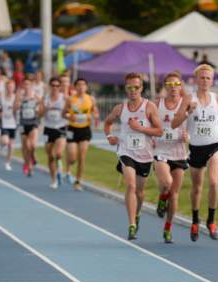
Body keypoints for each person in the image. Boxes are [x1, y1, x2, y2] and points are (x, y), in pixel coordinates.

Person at [172, 64, 218, 241]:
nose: (205, 81)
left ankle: (211, 221)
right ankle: (195, 220)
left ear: (212, 80)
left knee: (213, 183)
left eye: (208, 78)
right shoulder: (188, 98)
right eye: (202, 77)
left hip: (214, 145)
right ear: (196, 79)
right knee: (197, 187)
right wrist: (188, 112)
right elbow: (175, 123)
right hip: (196, 148)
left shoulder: (217, 98)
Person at [104, 73, 162, 240]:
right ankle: (131, 224)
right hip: (126, 152)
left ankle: (137, 215)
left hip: (145, 155)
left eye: (136, 87)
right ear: (126, 89)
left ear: (141, 88)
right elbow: (107, 123)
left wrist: (140, 128)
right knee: (130, 185)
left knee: (140, 191)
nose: (133, 90)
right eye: (129, 87)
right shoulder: (119, 109)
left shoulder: (150, 107)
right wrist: (109, 137)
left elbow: (159, 131)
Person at [153, 72, 189, 243]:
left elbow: (193, 127)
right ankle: (161, 199)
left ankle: (168, 228)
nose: (173, 88)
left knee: (174, 195)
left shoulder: (186, 105)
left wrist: (188, 136)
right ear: (165, 87)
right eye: (170, 85)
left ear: (180, 86)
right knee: (166, 183)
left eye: (176, 84)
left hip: (180, 153)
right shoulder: (156, 104)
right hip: (161, 151)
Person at [63, 78, 99, 190]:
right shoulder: (70, 99)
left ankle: (78, 181)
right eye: (78, 85)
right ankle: (68, 168)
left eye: (83, 85)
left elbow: (95, 112)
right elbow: (63, 113)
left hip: (85, 129)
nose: (81, 87)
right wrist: (70, 116)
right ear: (75, 87)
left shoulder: (91, 99)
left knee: (82, 157)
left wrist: (95, 116)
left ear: (86, 87)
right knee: (72, 157)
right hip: (72, 129)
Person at [42, 78, 67, 188]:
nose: (55, 87)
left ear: (60, 87)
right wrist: (46, 109)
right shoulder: (45, 99)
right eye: (53, 85)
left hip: (60, 127)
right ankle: (54, 180)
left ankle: (60, 165)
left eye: (57, 85)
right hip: (48, 128)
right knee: (50, 156)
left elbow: (70, 111)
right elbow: (39, 114)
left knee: (58, 153)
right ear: (50, 86)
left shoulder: (64, 98)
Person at [16, 79, 41, 176]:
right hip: (23, 123)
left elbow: (41, 106)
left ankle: (33, 156)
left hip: (33, 122)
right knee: (25, 146)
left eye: (28, 84)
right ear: (23, 86)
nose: (27, 86)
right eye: (25, 84)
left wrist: (39, 111)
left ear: (31, 86)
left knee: (33, 145)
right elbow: (15, 108)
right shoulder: (20, 97)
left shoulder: (35, 96)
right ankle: (28, 165)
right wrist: (17, 101)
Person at [0, 80, 17, 171]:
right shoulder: (2, 98)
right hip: (5, 123)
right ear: (6, 88)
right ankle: (1, 144)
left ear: (14, 88)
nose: (10, 89)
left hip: (13, 124)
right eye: (9, 87)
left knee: (11, 146)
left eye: (12, 87)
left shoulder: (15, 98)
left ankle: (7, 162)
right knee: (5, 141)